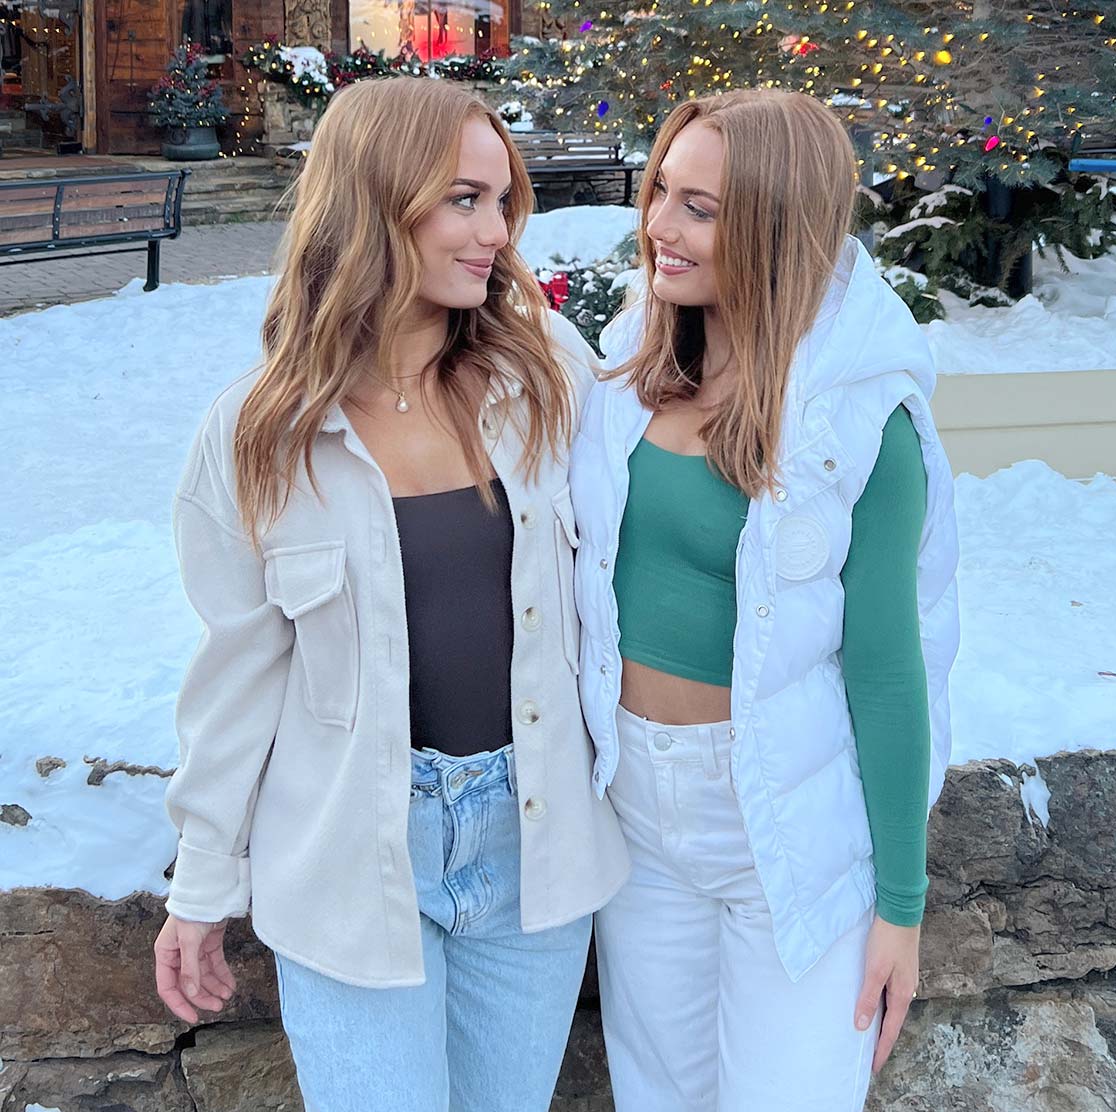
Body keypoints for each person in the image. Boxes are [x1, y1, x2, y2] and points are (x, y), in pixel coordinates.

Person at [152, 76, 629, 1112]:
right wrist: (200, 884)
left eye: (504, 202)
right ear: (375, 201)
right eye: (463, 199)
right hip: (352, 857)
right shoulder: (256, 437)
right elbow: (237, 673)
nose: (496, 232)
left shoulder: (545, 374)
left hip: (535, 840)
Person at [569, 89, 960, 1111]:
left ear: (777, 222)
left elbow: (887, 665)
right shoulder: (635, 365)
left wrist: (902, 907)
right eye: (662, 190)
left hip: (782, 823)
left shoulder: (863, 412)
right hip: (637, 818)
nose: (658, 223)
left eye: (700, 207)